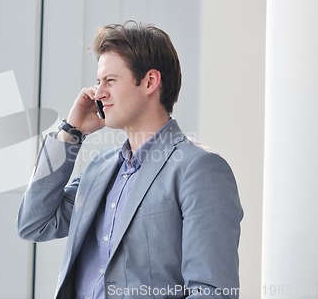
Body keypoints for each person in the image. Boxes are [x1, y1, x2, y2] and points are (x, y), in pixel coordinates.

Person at [16, 21, 243, 299]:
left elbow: (212, 292)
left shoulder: (199, 169)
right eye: (99, 82)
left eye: (110, 81)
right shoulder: (100, 168)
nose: (98, 93)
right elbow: (34, 222)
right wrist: (70, 132)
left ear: (149, 82)